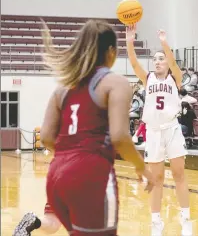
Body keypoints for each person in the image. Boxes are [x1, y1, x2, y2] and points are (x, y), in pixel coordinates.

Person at [13, 20, 155, 236]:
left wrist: (70, 154)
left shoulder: (63, 88)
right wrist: (141, 166)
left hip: (57, 175)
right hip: (91, 175)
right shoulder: (115, 82)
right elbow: (119, 136)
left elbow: (47, 138)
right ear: (110, 51)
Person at [126, 25, 192, 236]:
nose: (157, 61)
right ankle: (156, 222)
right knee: (156, 179)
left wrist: (164, 43)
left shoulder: (175, 78)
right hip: (154, 132)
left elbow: (173, 61)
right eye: (155, 59)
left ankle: (186, 218)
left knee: (179, 174)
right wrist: (130, 40)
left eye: (160, 58)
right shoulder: (148, 79)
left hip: (172, 129)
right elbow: (134, 63)